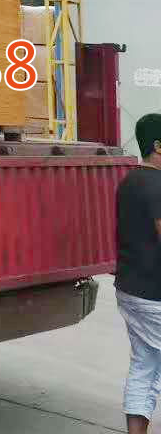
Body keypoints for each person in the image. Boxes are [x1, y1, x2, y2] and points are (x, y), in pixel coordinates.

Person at [118, 113, 161, 433]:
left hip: (131, 291)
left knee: (144, 366)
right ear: (158, 146)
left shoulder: (129, 182)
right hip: (155, 297)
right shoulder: (158, 186)